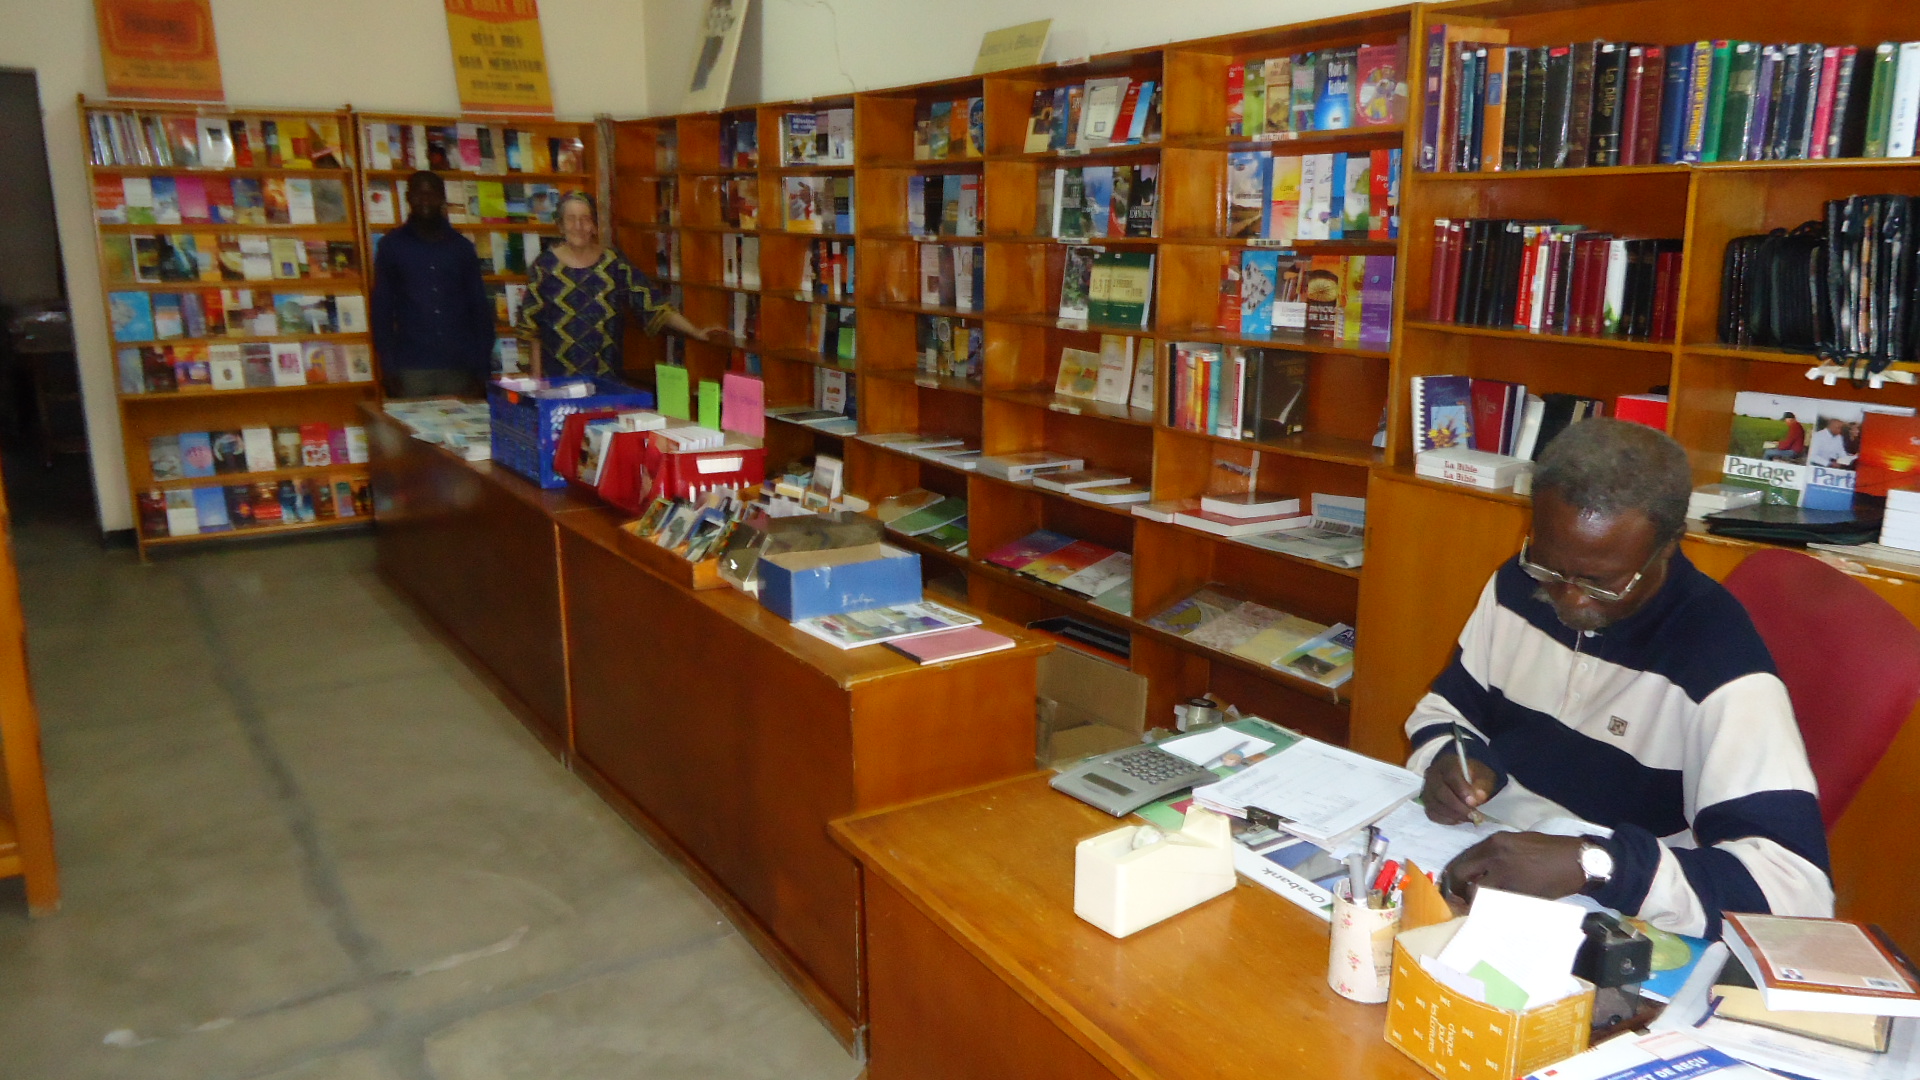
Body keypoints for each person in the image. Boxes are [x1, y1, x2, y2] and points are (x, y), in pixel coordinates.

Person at [1408, 419, 1833, 939]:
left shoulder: (1718, 666)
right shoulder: (1518, 585)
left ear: (1669, 545)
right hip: (1490, 862)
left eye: (1602, 583)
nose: (1570, 599)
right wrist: (1449, 760)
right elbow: (1445, 713)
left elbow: (1798, 895)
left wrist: (1596, 865)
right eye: (1550, 568)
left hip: (1621, 917)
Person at [519, 192, 714, 379]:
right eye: (571, 219)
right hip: (559, 383)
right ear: (561, 226)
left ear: (594, 226)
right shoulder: (544, 268)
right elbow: (531, 328)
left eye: (585, 219)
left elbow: (652, 303)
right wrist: (536, 381)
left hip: (608, 381)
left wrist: (695, 331)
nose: (578, 226)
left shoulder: (614, 263)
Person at [369, 171, 495, 398]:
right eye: (419, 194)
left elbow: (479, 309)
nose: (424, 199)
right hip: (411, 368)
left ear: (442, 198)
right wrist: (388, 367)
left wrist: (482, 370)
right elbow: (382, 309)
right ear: (408, 198)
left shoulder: (461, 248)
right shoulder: (392, 246)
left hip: (459, 366)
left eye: (431, 194)